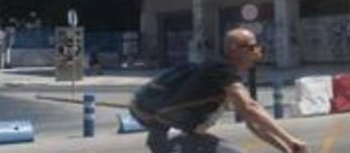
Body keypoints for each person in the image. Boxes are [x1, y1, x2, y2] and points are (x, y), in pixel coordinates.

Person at [130, 28, 307, 153]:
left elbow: (253, 124)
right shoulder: (220, 69)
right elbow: (251, 108)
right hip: (171, 137)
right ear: (234, 49)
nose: (257, 52)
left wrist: (286, 148)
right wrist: (290, 139)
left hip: (176, 136)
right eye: (252, 47)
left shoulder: (221, 75)